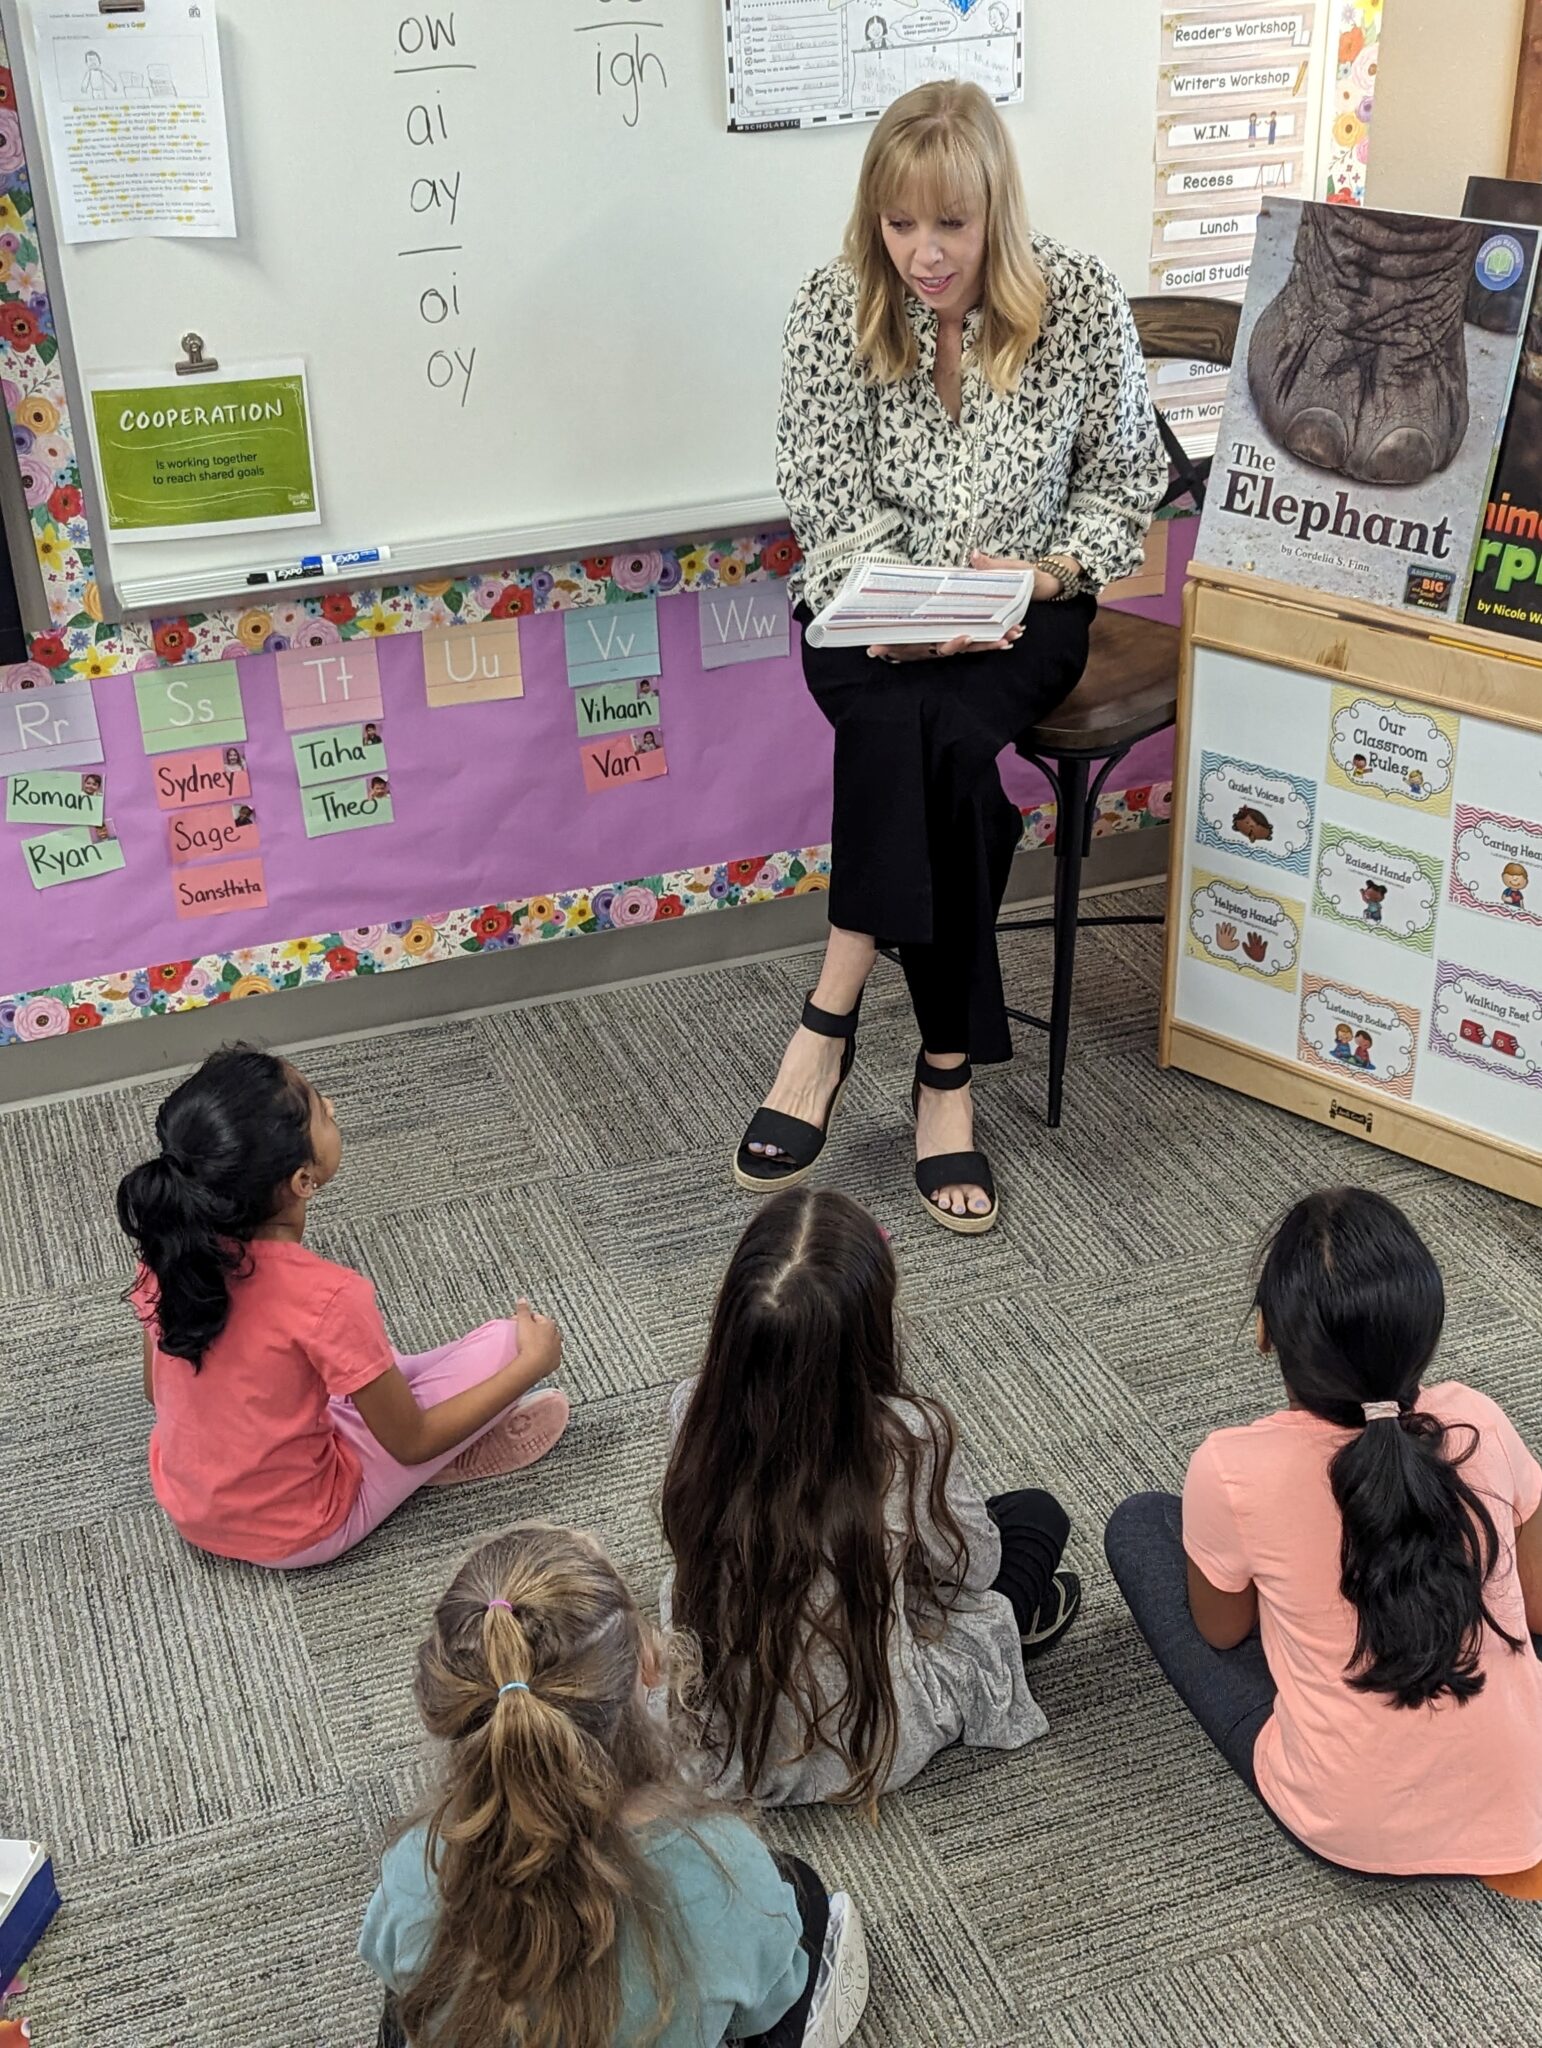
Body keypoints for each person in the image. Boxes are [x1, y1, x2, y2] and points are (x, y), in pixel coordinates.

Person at [735, 81, 1163, 1234]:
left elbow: (1124, 480)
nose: (923, 254)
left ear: (996, 213)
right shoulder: (831, 307)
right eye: (899, 223)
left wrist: (1040, 576)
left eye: (952, 225)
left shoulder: (1079, 301)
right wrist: (905, 604)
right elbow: (824, 498)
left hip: (1026, 602)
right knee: (945, 769)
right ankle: (946, 1072)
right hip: (867, 604)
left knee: (916, 735)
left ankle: (830, 1012)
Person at [1105, 1188, 1542, 1888]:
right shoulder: (1478, 1422)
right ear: (1425, 1334)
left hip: (1351, 1826)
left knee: (1140, 1526)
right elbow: (1537, 1608)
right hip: (1523, 1798)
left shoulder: (1230, 1467)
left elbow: (1222, 1631)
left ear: (1266, 1333)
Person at [360, 1523, 870, 2048]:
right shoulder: (726, 1870)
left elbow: (388, 1958)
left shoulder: (414, 1864)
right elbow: (769, 2001)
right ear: (647, 1666)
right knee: (801, 1894)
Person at [660, 1189, 1078, 1808]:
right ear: (870, 1329)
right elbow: (974, 1568)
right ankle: (1013, 1642)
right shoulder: (909, 1436)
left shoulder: (693, 1412)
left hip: (727, 1733)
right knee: (1036, 1517)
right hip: (870, 1735)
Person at [116, 1045, 569, 1569]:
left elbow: (156, 1392)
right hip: (302, 1529)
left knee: (364, 1364)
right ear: (303, 1181)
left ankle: (424, 1434)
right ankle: (443, 1461)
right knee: (508, 1343)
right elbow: (411, 1441)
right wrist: (533, 1365)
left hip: (189, 1506)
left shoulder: (168, 1253)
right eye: (318, 1109)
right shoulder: (327, 1297)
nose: (330, 1105)